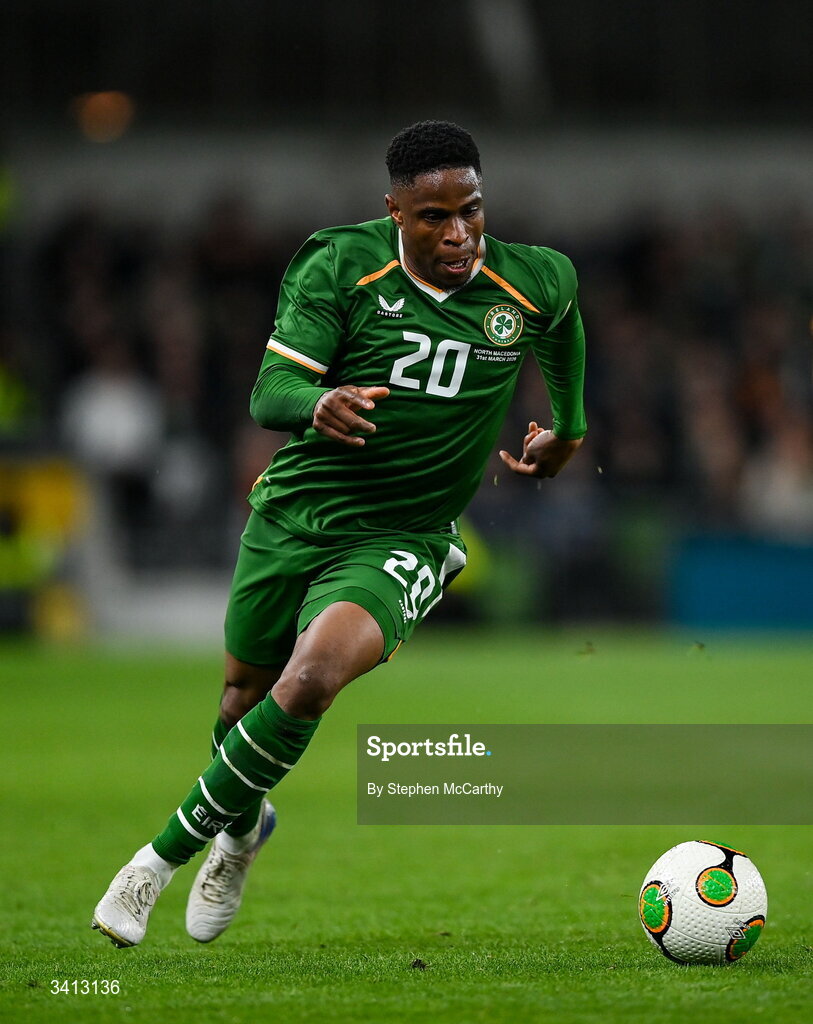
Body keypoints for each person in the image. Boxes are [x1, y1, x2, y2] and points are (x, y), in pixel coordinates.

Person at [91, 119, 587, 948]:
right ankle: (242, 834)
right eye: (433, 217)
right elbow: (268, 389)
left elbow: (563, 325)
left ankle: (153, 863)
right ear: (393, 209)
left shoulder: (533, 278)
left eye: (470, 209)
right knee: (241, 704)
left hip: (406, 534)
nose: (458, 232)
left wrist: (567, 428)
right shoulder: (340, 265)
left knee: (313, 675)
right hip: (296, 514)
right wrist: (315, 401)